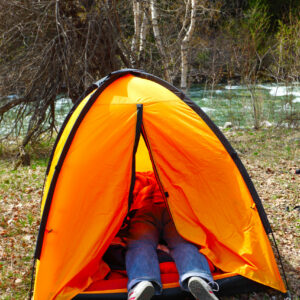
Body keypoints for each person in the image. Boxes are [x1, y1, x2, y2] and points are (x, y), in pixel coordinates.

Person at [124, 172, 219, 300]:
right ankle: (196, 275)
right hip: (173, 211)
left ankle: (142, 281)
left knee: (140, 244)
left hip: (149, 212)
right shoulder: (172, 178)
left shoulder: (144, 187)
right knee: (184, 243)